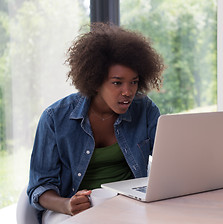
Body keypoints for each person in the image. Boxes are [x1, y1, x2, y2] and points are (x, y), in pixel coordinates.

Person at [27, 22, 165, 223]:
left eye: (134, 82)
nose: (128, 91)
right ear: (95, 80)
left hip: (129, 206)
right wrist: (67, 204)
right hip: (71, 210)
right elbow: (39, 187)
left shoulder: (145, 109)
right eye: (117, 82)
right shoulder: (54, 118)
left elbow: (170, 161)